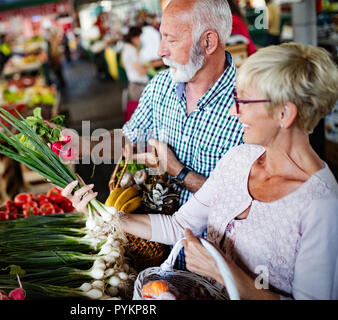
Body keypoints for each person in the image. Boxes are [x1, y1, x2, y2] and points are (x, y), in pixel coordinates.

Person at [63, 42, 338, 300]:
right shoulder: (240, 159)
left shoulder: (321, 206)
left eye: (243, 102)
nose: (233, 111)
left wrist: (221, 271)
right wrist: (104, 214)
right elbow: (180, 225)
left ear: (284, 114)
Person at [52, 0, 244, 271]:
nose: (160, 51)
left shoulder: (246, 106)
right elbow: (130, 139)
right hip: (152, 244)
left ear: (209, 42)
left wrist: (178, 171)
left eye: (171, 40)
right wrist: (84, 145)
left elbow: (240, 204)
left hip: (213, 263)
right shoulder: (161, 85)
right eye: (161, 35)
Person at [121, 26, 151, 101]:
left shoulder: (128, 48)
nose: (140, 40)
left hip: (137, 86)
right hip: (138, 88)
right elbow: (141, 71)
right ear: (133, 38)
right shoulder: (131, 51)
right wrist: (150, 67)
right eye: (139, 37)